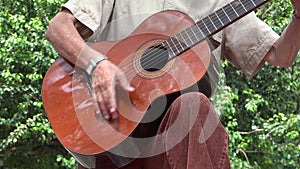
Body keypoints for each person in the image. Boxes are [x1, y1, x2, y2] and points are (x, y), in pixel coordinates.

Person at [45, 0, 300, 168]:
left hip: (180, 144)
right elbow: (58, 28)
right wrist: (96, 64)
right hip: (109, 137)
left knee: (193, 104)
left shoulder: (223, 3)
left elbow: (281, 54)